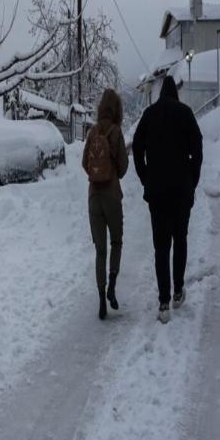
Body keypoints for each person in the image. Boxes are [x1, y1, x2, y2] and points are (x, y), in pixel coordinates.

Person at [132, 75, 203, 323]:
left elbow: (137, 148)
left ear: (161, 92)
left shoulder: (150, 114)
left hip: (157, 192)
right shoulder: (185, 113)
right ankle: (177, 291)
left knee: (161, 246)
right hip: (182, 191)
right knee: (180, 239)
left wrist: (145, 176)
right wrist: (192, 179)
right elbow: (198, 148)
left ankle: (163, 302)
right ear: (176, 94)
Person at [81, 89, 129, 320]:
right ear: (117, 109)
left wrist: (96, 171)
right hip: (111, 196)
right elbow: (123, 167)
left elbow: (84, 163)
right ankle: (112, 284)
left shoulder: (92, 132)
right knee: (116, 242)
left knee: (100, 249)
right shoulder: (116, 131)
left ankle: (101, 299)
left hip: (93, 198)